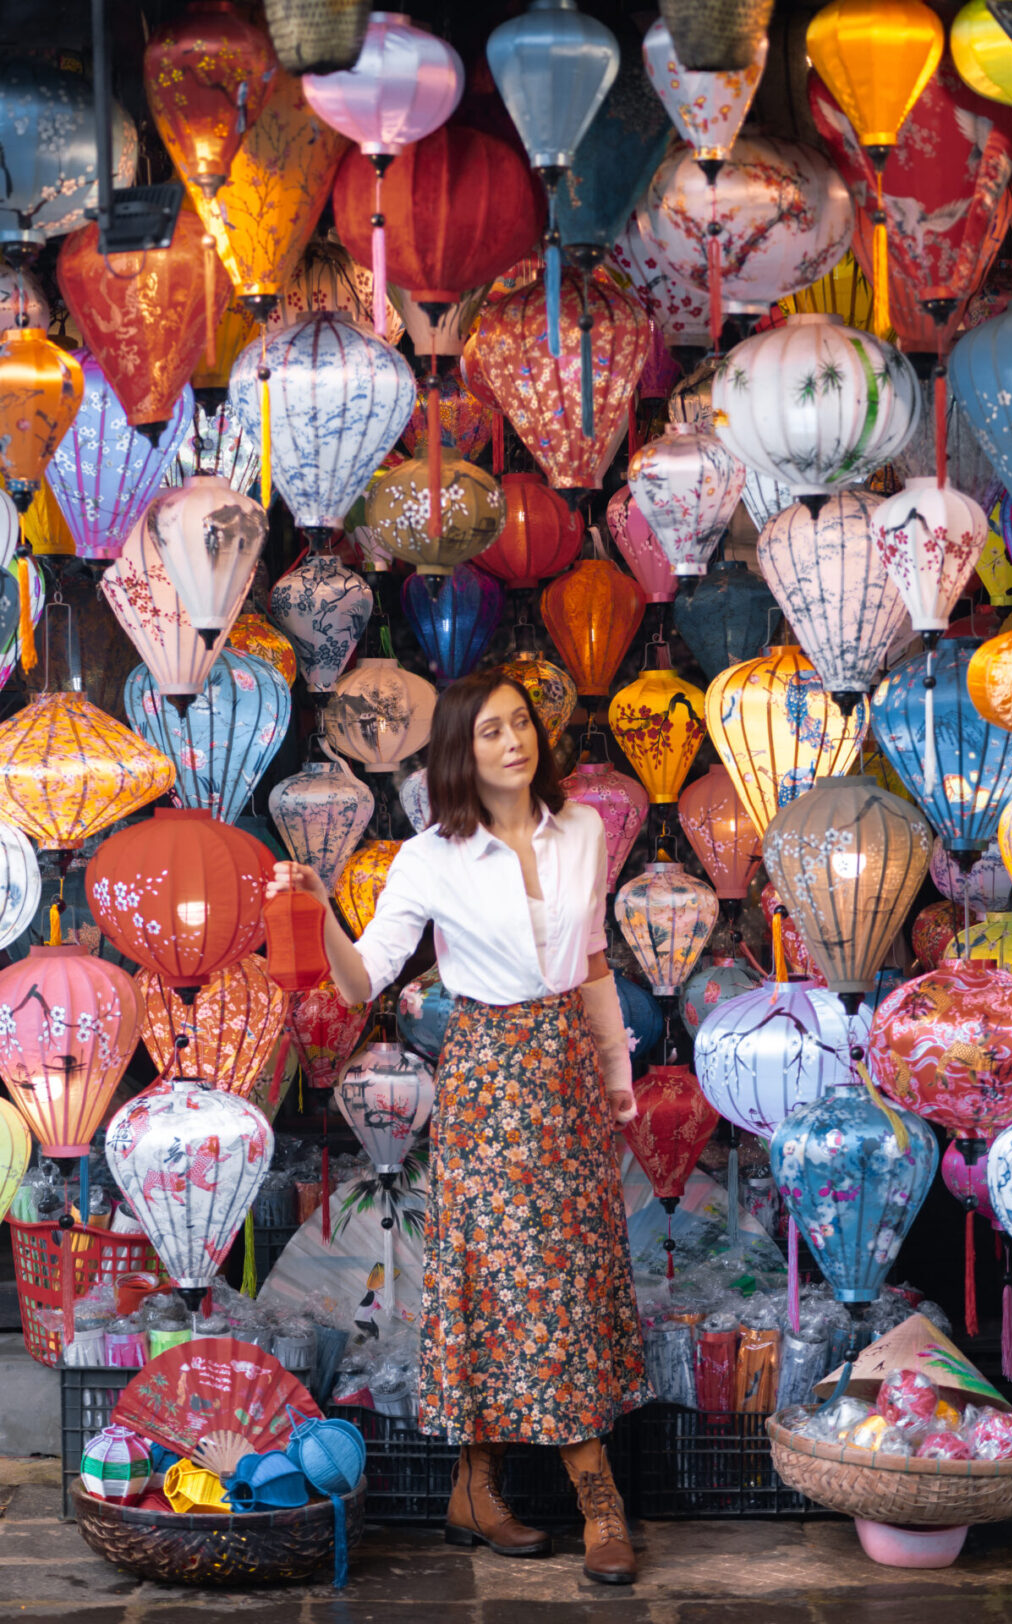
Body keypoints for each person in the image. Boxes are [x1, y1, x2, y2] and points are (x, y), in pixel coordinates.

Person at [268, 670, 651, 1585]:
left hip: (567, 1066)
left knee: (562, 1272)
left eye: (521, 724)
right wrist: (319, 910)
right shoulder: (430, 858)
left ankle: (473, 1492)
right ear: (458, 752)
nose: (514, 742)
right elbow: (362, 981)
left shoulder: (585, 831)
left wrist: (616, 1074)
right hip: (489, 1075)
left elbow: (593, 958)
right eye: (490, 732)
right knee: (526, 1279)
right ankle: (603, 1505)